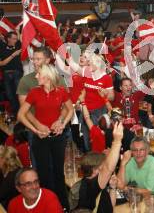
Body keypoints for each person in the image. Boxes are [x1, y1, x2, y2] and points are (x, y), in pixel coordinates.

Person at [17, 64, 73, 210]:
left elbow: (70, 109)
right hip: (40, 138)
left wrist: (62, 123)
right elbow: (21, 115)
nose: (36, 76)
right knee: (43, 173)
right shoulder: (34, 92)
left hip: (57, 137)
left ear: (47, 76)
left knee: (59, 173)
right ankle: (45, 206)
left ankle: (63, 206)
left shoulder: (61, 91)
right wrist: (35, 130)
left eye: (38, 74)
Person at [76, 122, 124, 212]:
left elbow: (110, 207)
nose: (104, 168)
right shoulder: (91, 185)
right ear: (95, 170)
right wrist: (117, 141)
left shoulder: (90, 182)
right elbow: (108, 168)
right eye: (102, 165)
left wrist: (113, 187)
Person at [0, 31, 22, 115]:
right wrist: (13, 55)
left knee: (19, 94)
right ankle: (17, 115)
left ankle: (22, 114)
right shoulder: (2, 48)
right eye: (13, 38)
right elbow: (2, 63)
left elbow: (21, 37)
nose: (15, 40)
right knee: (10, 96)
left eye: (16, 39)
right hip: (6, 74)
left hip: (17, 73)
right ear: (8, 39)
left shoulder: (18, 46)